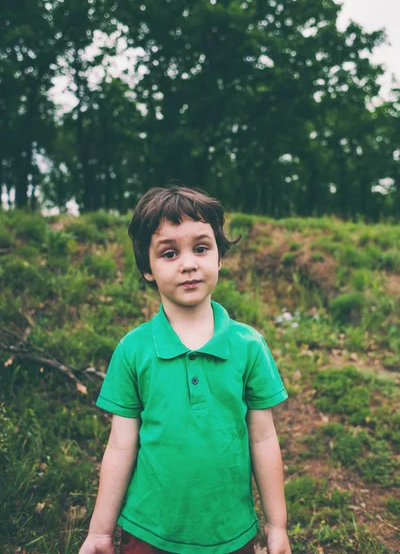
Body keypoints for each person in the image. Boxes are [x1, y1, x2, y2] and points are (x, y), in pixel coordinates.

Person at [79, 185, 291, 554]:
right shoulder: (133, 349)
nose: (188, 263)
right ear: (147, 268)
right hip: (148, 532)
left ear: (220, 258)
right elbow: (120, 445)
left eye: (201, 248)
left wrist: (276, 525)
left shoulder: (249, 345)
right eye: (170, 253)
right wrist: (99, 532)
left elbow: (263, 438)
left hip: (232, 533)